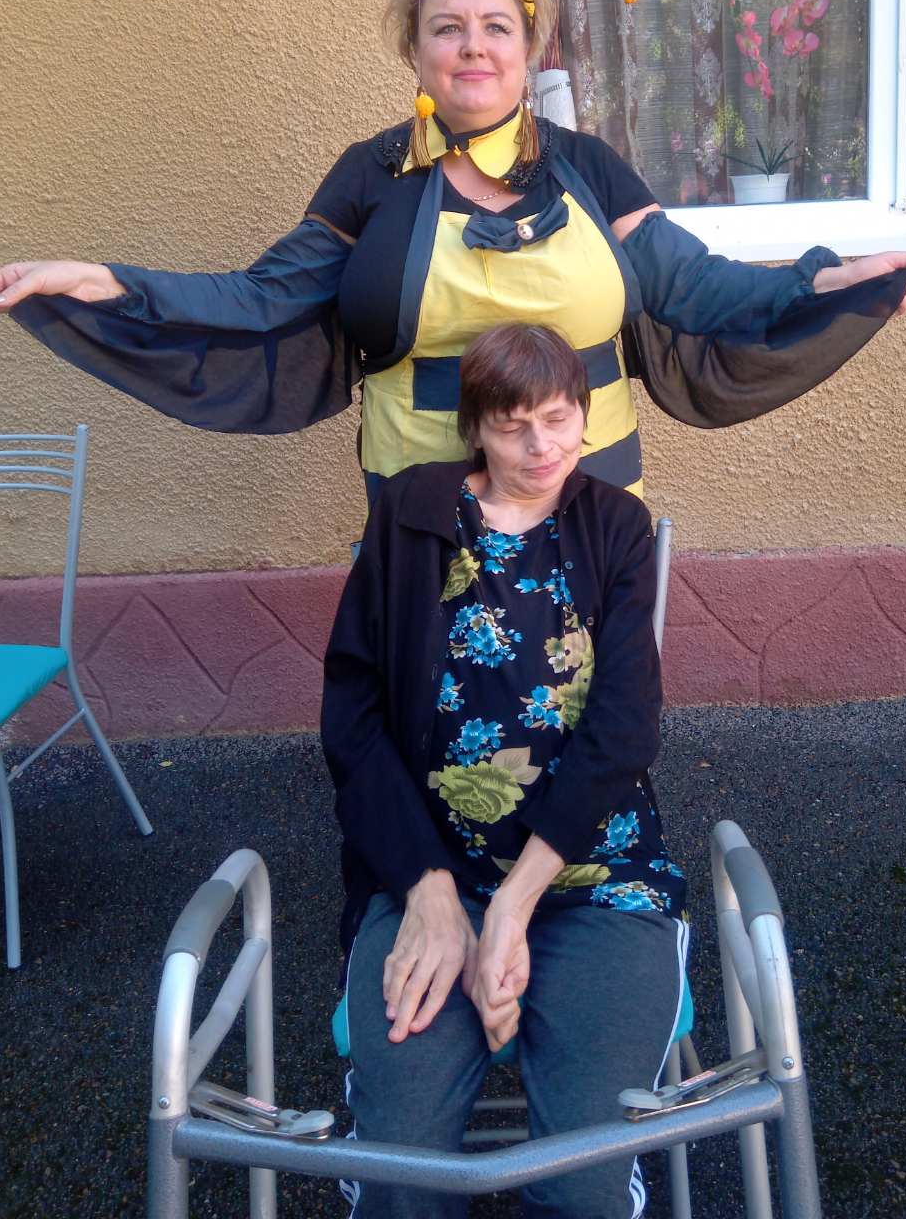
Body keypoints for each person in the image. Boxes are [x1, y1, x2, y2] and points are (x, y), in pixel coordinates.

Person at [0, 0, 906, 500]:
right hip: (422, 496)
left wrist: (825, 277)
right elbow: (262, 297)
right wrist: (109, 283)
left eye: (497, 27)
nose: (474, 47)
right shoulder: (369, 174)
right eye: (448, 28)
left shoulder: (588, 167)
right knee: (441, 714)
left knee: (580, 707)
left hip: (587, 484)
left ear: (528, 49)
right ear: (416, 51)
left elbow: (693, 283)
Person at [322, 324, 687, 1218]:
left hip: (592, 880)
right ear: (476, 429)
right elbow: (353, 721)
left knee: (584, 1180)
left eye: (558, 420)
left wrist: (513, 910)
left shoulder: (614, 525)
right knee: (403, 1176)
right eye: (513, 425)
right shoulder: (411, 513)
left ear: (584, 415)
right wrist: (432, 895)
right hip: (427, 875)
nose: (541, 447)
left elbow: (625, 728)